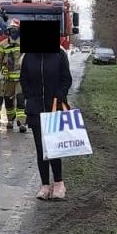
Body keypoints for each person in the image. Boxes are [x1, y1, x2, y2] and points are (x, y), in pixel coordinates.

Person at [21, 37, 74, 200]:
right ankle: (45, 184)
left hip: (54, 107)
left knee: (54, 147)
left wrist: (59, 95)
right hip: (36, 108)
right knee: (41, 148)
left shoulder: (59, 54)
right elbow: (24, 79)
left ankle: (59, 183)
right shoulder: (29, 56)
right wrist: (30, 96)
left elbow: (66, 79)